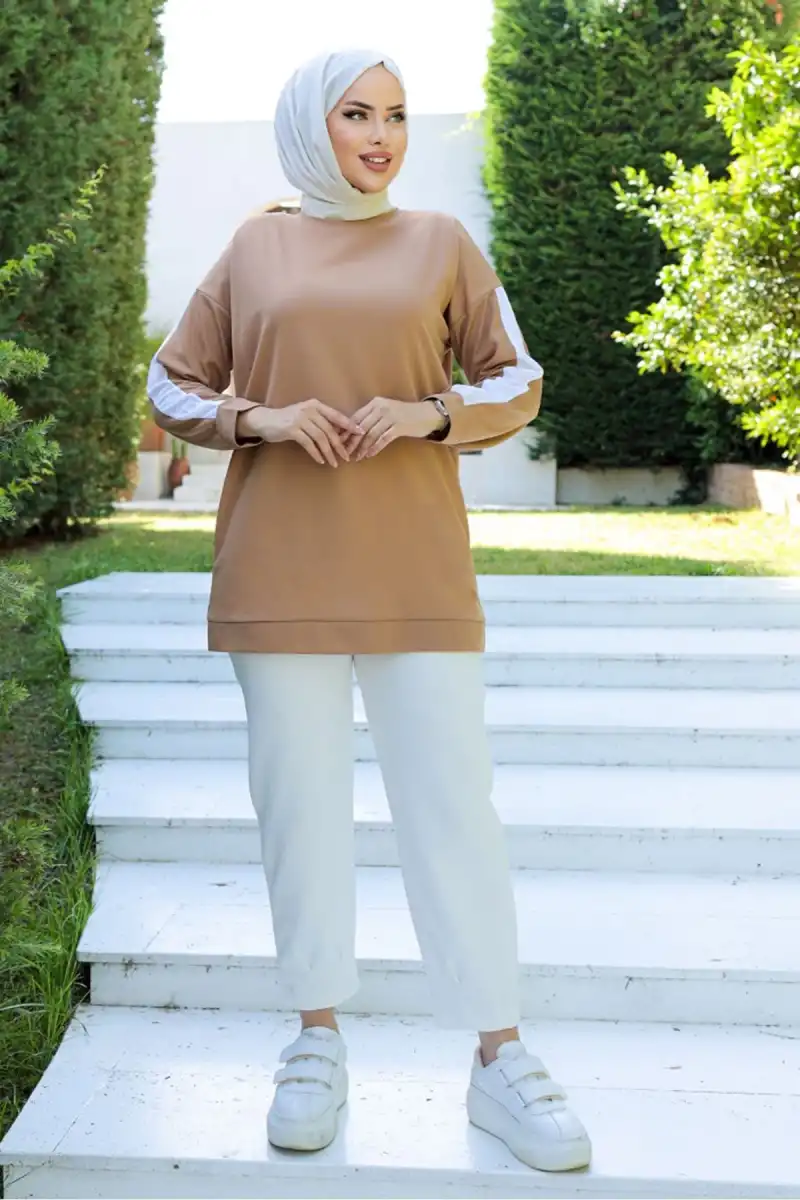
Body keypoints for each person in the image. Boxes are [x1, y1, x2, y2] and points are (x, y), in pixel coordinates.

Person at [147, 48, 592, 1174]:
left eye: (395, 114)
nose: (381, 135)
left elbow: (516, 378)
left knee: (453, 808)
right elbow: (170, 383)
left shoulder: (440, 242)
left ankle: (499, 1054)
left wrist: (426, 413)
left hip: (415, 569)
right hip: (276, 569)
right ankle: (315, 1040)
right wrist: (261, 418)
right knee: (298, 810)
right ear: (313, 125)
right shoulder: (254, 247)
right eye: (357, 114)